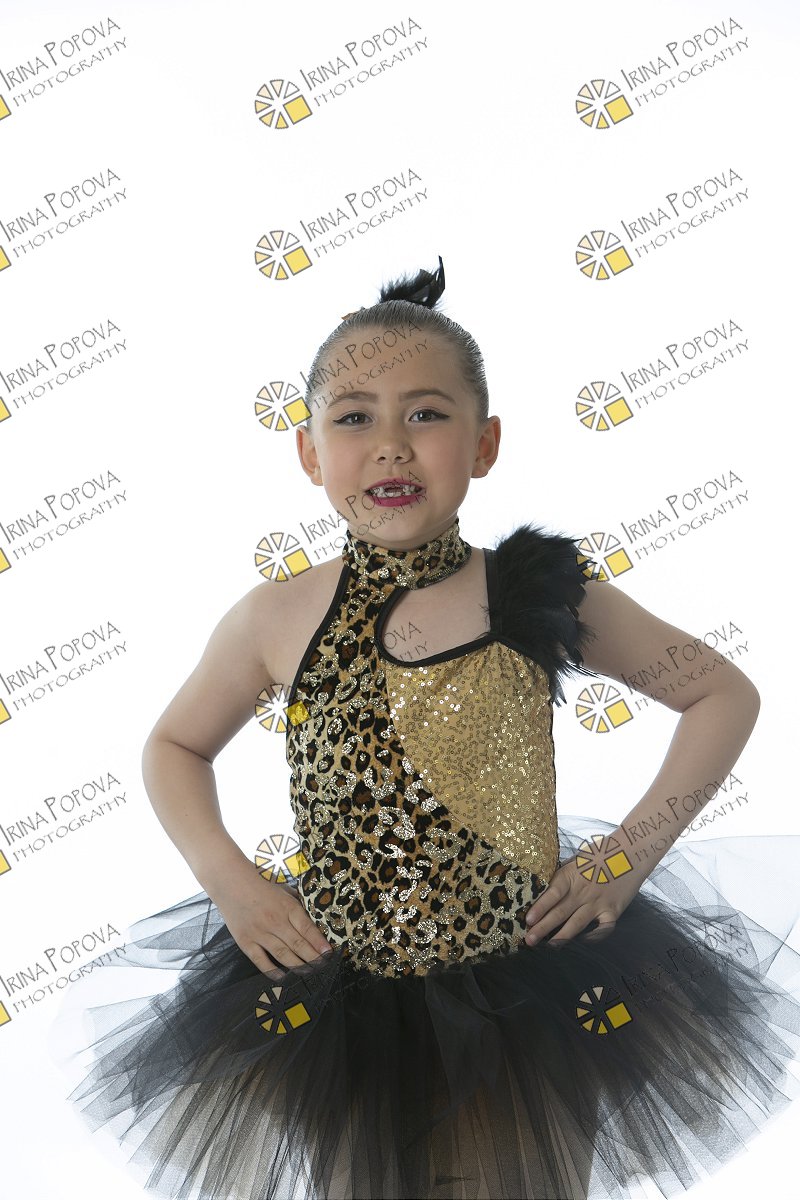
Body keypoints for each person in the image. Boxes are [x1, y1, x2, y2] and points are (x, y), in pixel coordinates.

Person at [55, 257, 800, 1200]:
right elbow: (175, 748)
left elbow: (720, 695)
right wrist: (233, 884)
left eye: (427, 415)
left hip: (520, 993)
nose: (391, 448)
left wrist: (625, 858)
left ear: (485, 444)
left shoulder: (533, 592)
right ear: (308, 453)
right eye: (354, 418)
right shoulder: (274, 618)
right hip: (343, 1001)